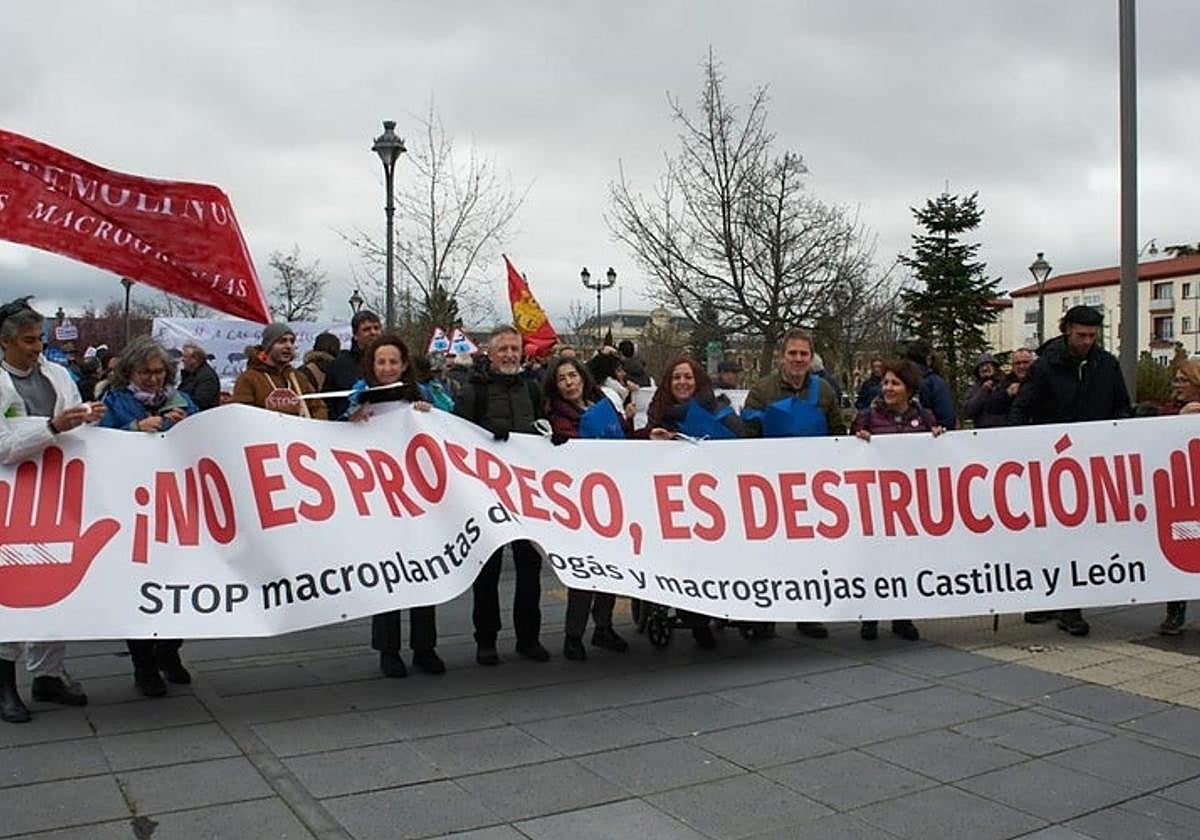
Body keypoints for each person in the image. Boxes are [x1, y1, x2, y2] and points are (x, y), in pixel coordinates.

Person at [0, 298, 105, 722]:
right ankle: (5, 683)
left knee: (55, 583)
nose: (37, 348)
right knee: (11, 589)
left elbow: (75, 422)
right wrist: (51, 428)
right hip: (11, 497)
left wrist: (88, 418)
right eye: (28, 340)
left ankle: (48, 674)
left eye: (40, 339)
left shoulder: (59, 375)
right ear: (5, 343)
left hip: (57, 490)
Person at [1011, 305, 1132, 637]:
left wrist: (1121, 430)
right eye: (1081, 335)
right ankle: (1054, 599)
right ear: (1066, 330)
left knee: (1082, 534)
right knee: (1053, 534)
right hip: (1053, 464)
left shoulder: (1106, 364)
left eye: (1093, 336)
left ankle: (1069, 604)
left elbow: (1121, 403)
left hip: (1094, 462)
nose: (1086, 342)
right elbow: (1023, 409)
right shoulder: (1046, 366)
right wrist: (1022, 449)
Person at [341, 334, 447, 677]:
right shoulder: (357, 397)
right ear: (372, 366)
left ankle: (424, 647)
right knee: (389, 575)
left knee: (422, 571)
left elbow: (450, 421)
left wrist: (431, 415)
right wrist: (352, 421)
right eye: (380, 362)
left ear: (404, 365)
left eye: (393, 362)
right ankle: (388, 650)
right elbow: (337, 439)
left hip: (417, 498)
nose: (387, 368)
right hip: (380, 500)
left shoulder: (424, 394)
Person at [99, 336, 198, 697]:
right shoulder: (114, 403)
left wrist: (185, 425)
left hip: (176, 506)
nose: (153, 379)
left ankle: (169, 651)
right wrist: (133, 431)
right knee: (140, 590)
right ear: (130, 372)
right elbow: (96, 444)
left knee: (183, 585)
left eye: (159, 372)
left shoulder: (183, 401)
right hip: (133, 510)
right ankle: (143, 664)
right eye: (145, 373)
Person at [453, 326, 551, 665]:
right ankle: (486, 638)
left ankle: (529, 637)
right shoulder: (473, 392)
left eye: (514, 349)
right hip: (487, 493)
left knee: (529, 566)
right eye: (503, 349)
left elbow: (541, 426)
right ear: (490, 354)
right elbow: (456, 438)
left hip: (525, 493)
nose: (510, 354)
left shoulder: (533, 389)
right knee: (488, 569)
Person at [743, 329, 846, 640]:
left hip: (815, 489)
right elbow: (747, 438)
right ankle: (765, 615)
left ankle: (808, 614)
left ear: (810, 356)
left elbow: (837, 433)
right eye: (793, 353)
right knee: (770, 553)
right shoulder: (762, 391)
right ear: (782, 356)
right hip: (771, 487)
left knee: (811, 553)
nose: (798, 359)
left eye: (804, 354)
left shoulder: (825, 391)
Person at [645, 355, 744, 648]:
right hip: (672, 502)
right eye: (676, 377)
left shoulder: (719, 409)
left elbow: (740, 440)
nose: (682, 382)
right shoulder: (658, 413)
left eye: (688, 377)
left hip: (714, 499)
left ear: (698, 380)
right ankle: (695, 617)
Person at [543, 355, 634, 660]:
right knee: (585, 570)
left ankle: (603, 626)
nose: (569, 383)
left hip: (614, 497)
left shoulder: (602, 404)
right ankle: (574, 633)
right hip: (581, 504)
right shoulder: (556, 415)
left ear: (583, 378)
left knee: (611, 568)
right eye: (562, 379)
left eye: (573, 376)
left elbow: (625, 437)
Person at [852, 358, 946, 642]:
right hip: (877, 501)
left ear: (909, 388)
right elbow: (849, 451)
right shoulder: (868, 417)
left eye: (895, 383)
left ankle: (902, 617)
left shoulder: (925, 418)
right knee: (874, 559)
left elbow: (936, 455)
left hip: (910, 504)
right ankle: (869, 616)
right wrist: (859, 438)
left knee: (905, 559)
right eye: (885, 383)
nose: (888, 388)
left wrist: (938, 438)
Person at [1160, 360, 1200, 635]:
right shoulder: (1168, 412)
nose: (1177, 386)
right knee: (1181, 548)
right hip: (1180, 495)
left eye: (1182, 380)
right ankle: (1175, 611)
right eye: (1175, 380)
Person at [231, 323, 328, 420]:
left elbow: (319, 407)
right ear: (268, 346)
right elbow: (241, 414)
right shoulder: (249, 378)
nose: (289, 346)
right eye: (282, 341)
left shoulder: (297, 377)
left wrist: (312, 423)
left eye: (292, 341)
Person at [324, 311, 382, 420]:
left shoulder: (392, 362)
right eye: (366, 329)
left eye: (376, 328)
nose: (373, 332)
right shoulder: (340, 364)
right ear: (355, 335)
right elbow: (328, 403)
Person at [904, 339, 956, 429]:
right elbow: (947, 419)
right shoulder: (935, 383)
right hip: (931, 436)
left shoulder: (899, 382)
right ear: (928, 359)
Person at [178, 342, 220, 411]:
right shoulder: (190, 375)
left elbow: (200, 402)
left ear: (194, 359)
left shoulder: (207, 378)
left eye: (185, 357)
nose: (182, 360)